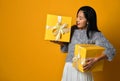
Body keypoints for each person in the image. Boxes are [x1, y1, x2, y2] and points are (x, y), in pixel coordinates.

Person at [52, 6, 116, 81]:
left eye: (80, 18)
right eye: (77, 17)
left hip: (83, 70)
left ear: (88, 21)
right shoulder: (72, 30)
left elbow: (111, 50)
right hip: (68, 68)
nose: (77, 20)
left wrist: (95, 60)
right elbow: (66, 49)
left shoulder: (95, 34)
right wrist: (60, 43)